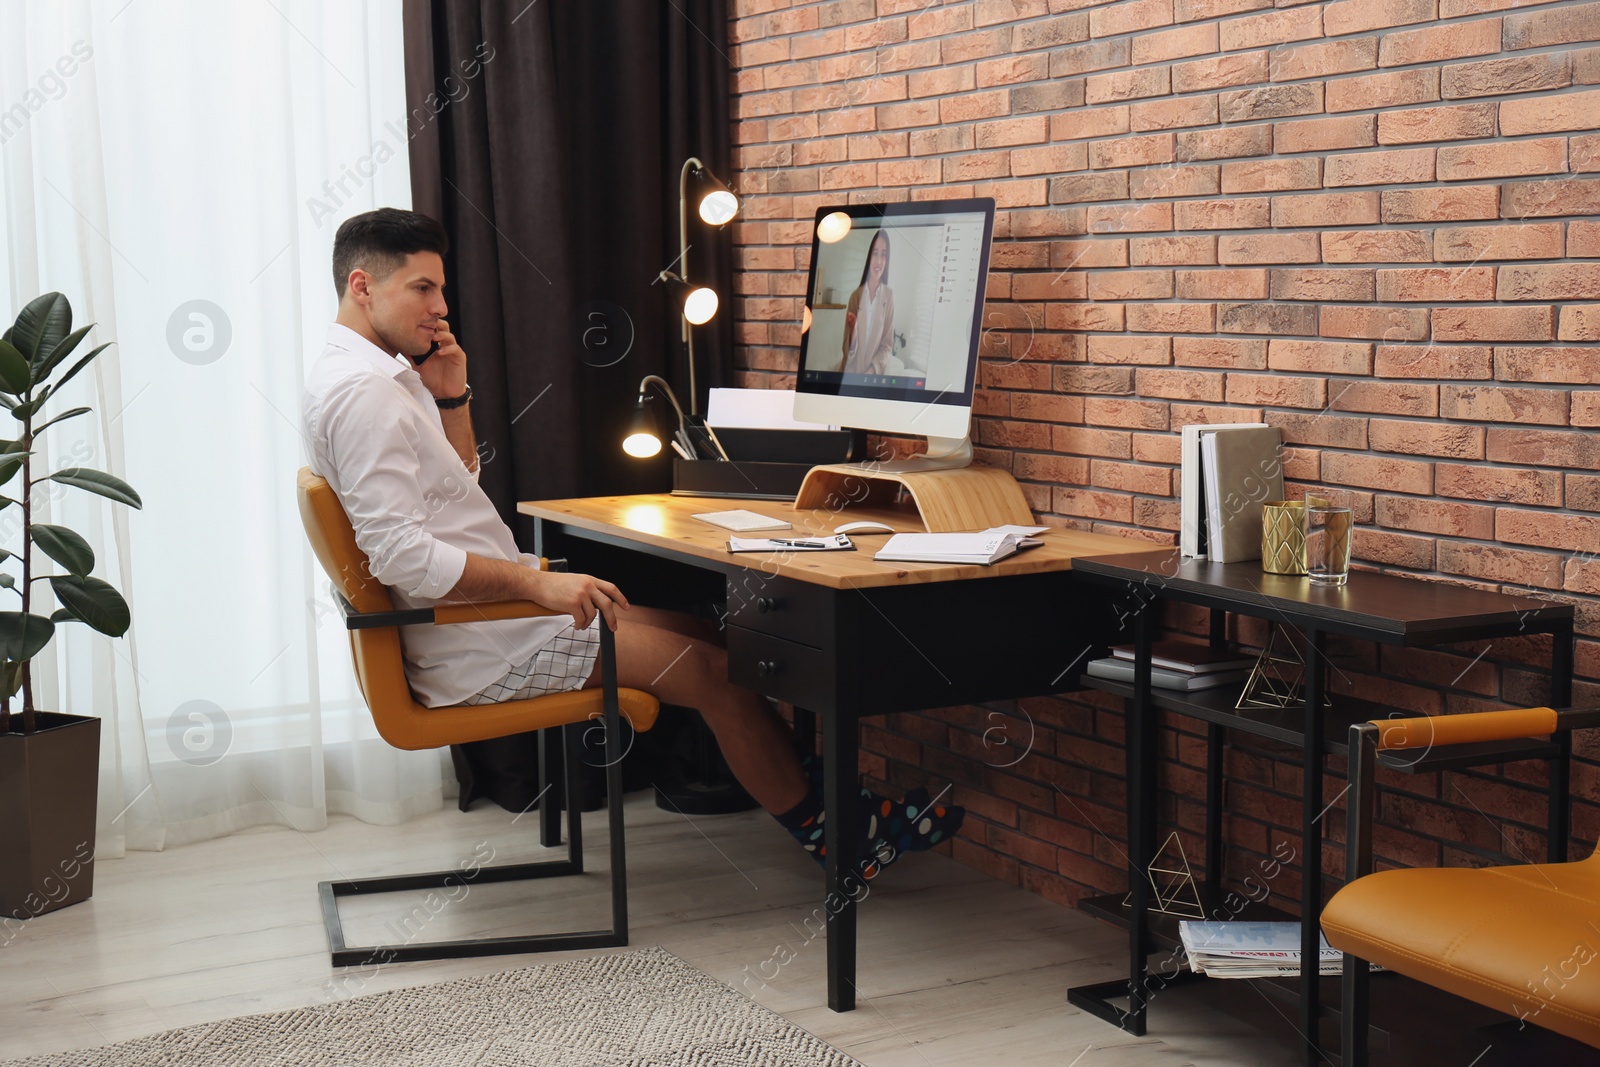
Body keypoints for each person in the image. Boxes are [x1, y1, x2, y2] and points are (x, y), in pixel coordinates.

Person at [302, 207, 961, 875]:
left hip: (488, 624)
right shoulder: (366, 394)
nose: (441, 306)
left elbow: (451, 488)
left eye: (441, 288)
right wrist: (540, 584)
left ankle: (828, 806)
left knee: (714, 640)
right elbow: (402, 556)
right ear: (362, 286)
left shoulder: (375, 375)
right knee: (718, 676)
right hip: (485, 645)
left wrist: (452, 398)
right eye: (422, 288)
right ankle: (841, 840)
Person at [841, 229, 895, 376]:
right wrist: (854, 334)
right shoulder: (855, 297)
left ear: (887, 259)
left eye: (883, 254)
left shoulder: (888, 297)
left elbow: (887, 346)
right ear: (869, 257)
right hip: (849, 376)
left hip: (872, 378)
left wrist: (872, 370)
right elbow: (846, 350)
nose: (878, 261)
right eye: (875, 253)